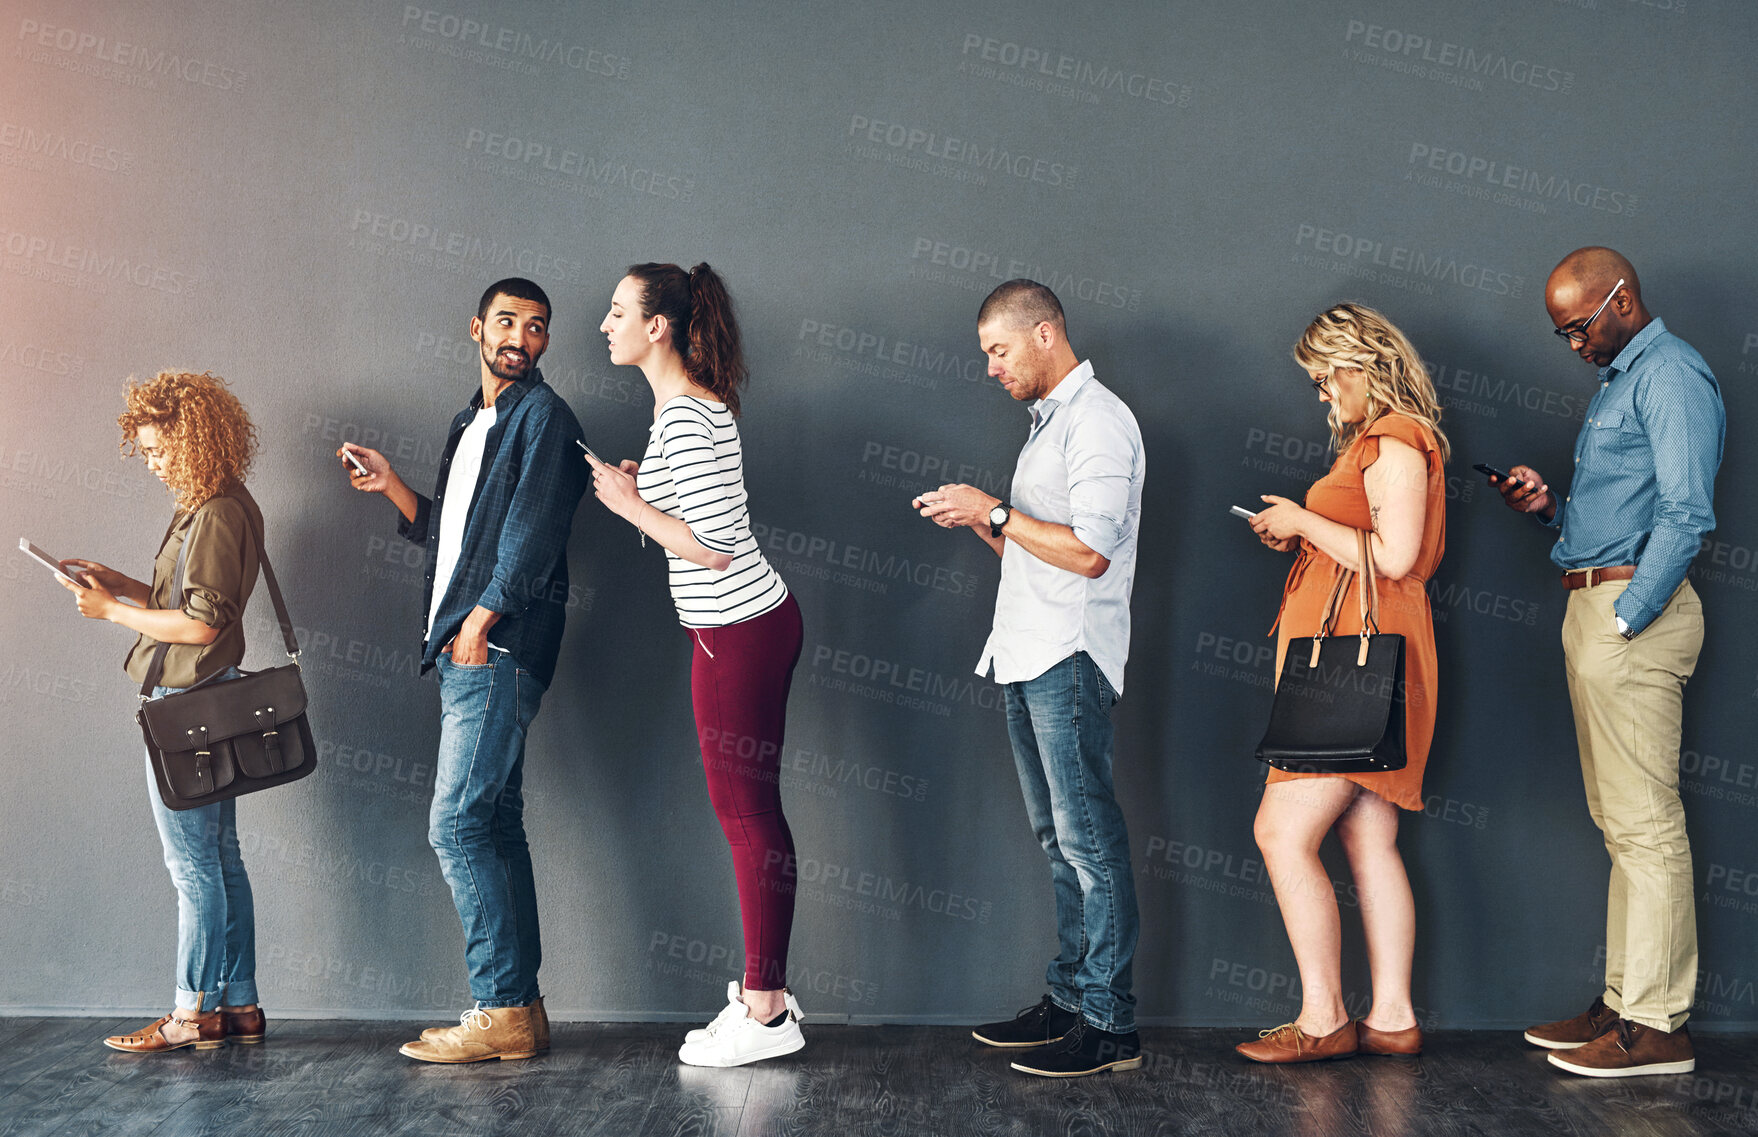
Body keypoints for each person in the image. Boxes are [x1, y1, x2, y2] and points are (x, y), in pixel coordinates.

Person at [340, 277, 588, 1062]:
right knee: (495, 824)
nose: (522, 336)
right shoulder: (471, 421)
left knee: (454, 825)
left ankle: (499, 1005)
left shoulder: (544, 417)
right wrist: (393, 488)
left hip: (497, 647)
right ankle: (523, 1011)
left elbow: (532, 534)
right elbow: (454, 539)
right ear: (476, 326)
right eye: (509, 321)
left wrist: (482, 622)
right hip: (465, 644)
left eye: (538, 326)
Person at [1493, 247, 1723, 1078]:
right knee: (1620, 821)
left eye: (1580, 327)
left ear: (1621, 299)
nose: (1574, 345)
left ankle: (1658, 1024)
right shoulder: (1622, 378)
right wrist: (1549, 507)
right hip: (1595, 601)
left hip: (1634, 617)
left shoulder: (1670, 373)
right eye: (1561, 334)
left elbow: (1686, 513)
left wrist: (1627, 615)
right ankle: (1628, 1000)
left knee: (1646, 823)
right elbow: (1619, 514)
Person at [913, 279, 1146, 1078]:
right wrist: (985, 522)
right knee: (1058, 841)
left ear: (1045, 334)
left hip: (1069, 659)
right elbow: (1036, 558)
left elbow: (1090, 553)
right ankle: (1075, 999)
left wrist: (1000, 510)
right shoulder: (1051, 425)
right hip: (1024, 651)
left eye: (998, 350)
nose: (990, 368)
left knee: (1089, 842)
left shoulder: (1101, 424)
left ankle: (1110, 1026)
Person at [586, 262, 805, 1068]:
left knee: (747, 817)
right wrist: (650, 491)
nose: (603, 324)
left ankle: (767, 1010)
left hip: (734, 631)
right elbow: (707, 517)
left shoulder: (682, 415)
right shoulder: (689, 408)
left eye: (617, 312)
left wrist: (628, 504)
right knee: (753, 813)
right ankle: (764, 995)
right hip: (750, 624)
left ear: (659, 327)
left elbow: (711, 552)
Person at [1238, 303, 1449, 1064]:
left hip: (1361, 663)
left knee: (1280, 831)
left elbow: (1392, 557)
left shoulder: (1394, 439)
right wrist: (1299, 529)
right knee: (1368, 836)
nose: (1322, 394)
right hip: (1371, 658)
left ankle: (1324, 1016)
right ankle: (1391, 1016)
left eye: (1327, 379)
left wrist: (1301, 521)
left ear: (1365, 366)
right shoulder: (1373, 442)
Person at [58, 370, 267, 1053]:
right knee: (221, 856)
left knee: (194, 867)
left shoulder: (214, 514)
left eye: (158, 449)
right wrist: (117, 583)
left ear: (194, 437)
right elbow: (185, 600)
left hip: (190, 704)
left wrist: (113, 612)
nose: (150, 462)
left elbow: (204, 625)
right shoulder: (220, 503)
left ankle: (189, 1014)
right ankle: (238, 1005)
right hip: (211, 698)